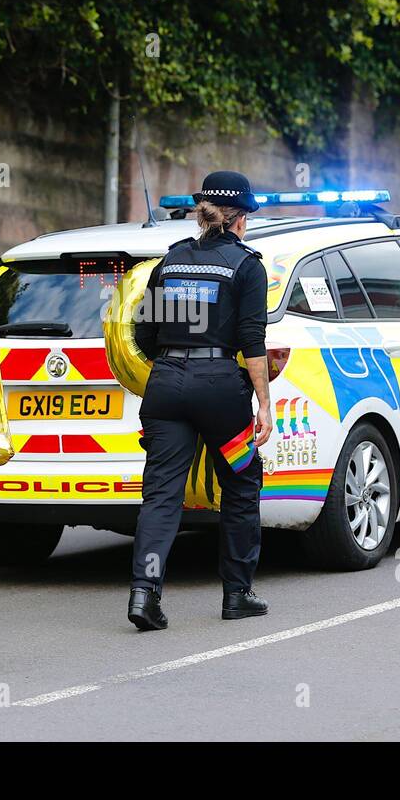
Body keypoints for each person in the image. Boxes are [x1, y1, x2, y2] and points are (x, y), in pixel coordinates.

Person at [127, 169, 275, 631]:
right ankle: (237, 594)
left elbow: (143, 333)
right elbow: (252, 343)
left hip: (166, 389)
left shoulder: (170, 263)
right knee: (241, 479)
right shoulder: (246, 266)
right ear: (240, 218)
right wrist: (264, 405)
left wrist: (175, 362)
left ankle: (144, 594)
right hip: (221, 399)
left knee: (162, 494)